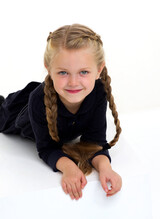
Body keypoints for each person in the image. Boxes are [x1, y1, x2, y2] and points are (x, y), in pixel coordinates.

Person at [0, 23, 122, 200]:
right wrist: (69, 167)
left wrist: (106, 168)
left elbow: (95, 143)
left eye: (83, 72)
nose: (73, 82)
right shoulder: (38, 100)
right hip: (15, 111)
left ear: (99, 70)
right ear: (49, 69)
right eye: (63, 72)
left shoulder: (98, 92)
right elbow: (46, 148)